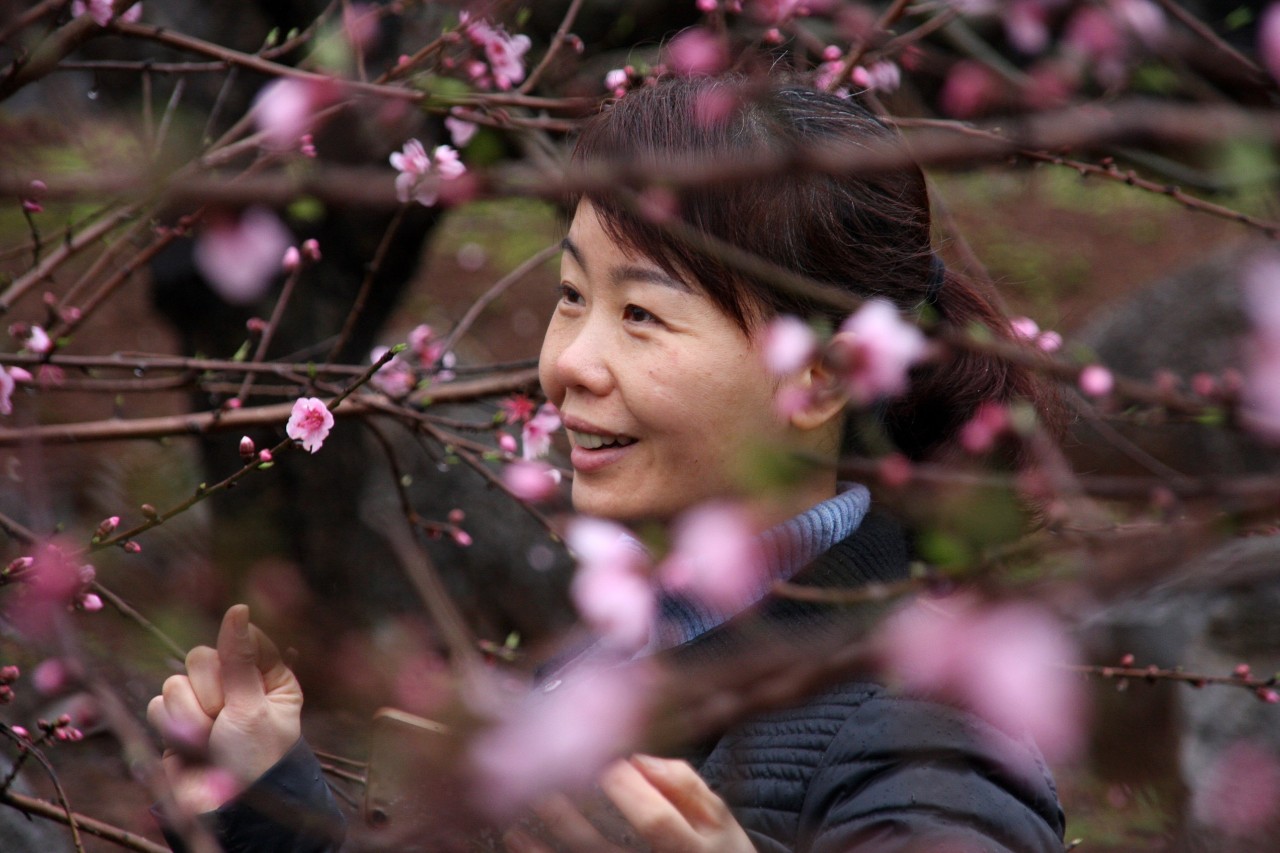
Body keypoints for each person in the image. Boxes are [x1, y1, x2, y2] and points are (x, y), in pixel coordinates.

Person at [148, 75, 1066, 852]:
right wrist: (270, 802)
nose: (568, 364)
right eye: (572, 294)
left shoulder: (931, 743)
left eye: (641, 314)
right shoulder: (621, 650)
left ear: (823, 375)